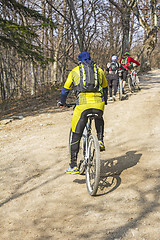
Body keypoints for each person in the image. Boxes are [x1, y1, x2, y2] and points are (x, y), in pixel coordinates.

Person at [60, 52, 108, 174]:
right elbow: (105, 87)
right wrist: (105, 101)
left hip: (82, 106)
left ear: (79, 61)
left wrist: (62, 102)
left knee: (76, 134)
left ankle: (73, 165)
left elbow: (65, 90)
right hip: (98, 104)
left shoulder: (75, 71)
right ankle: (100, 140)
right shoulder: (99, 70)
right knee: (99, 117)